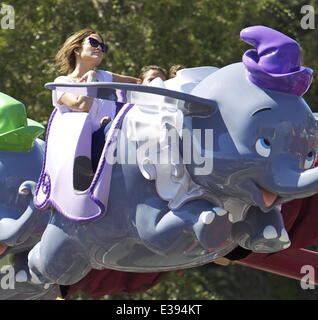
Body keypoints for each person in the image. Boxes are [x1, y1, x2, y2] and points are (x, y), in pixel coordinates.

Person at [53, 28, 140, 132]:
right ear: (77, 49)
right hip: (80, 142)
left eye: (103, 47)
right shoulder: (62, 82)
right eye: (93, 43)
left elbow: (139, 83)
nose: (99, 48)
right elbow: (82, 106)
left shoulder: (105, 76)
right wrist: (92, 78)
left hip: (109, 140)